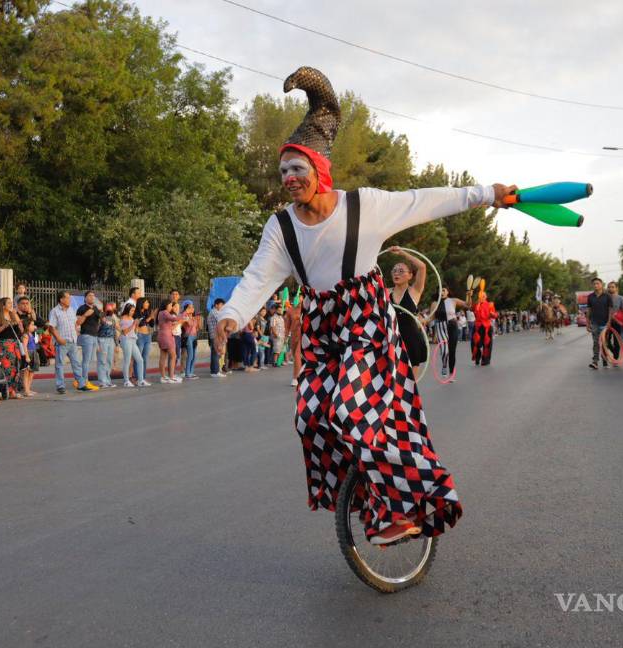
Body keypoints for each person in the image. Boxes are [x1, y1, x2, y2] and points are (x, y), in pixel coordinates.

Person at [214, 67, 511, 545]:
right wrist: (232, 314)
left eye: (297, 168)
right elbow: (258, 278)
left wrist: (487, 194)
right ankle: (357, 492)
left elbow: (425, 200)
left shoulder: (362, 207)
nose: (289, 178)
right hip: (321, 324)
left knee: (354, 411)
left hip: (366, 318)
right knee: (311, 415)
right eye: (283, 170)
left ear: (319, 170)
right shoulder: (281, 228)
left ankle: (404, 510)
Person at [386, 246, 429, 367]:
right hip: (392, 339)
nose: (396, 273)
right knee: (394, 383)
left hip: (411, 339)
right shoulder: (386, 292)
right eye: (394, 270)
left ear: (410, 275)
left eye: (401, 271)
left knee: (411, 383)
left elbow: (422, 266)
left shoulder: (415, 291)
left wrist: (403, 253)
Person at [47, 291, 92, 394]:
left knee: (77, 364)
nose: (69, 300)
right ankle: (60, 386)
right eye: (67, 298)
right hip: (62, 342)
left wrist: (76, 332)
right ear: (61, 300)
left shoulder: (71, 310)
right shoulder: (55, 311)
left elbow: (75, 323)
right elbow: (51, 327)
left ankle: (81, 384)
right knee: (59, 365)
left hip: (72, 341)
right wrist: (58, 339)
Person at [434, 287, 468, 381]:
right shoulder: (435, 303)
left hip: (453, 326)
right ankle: (444, 366)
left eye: (443, 290)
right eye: (440, 290)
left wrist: (469, 295)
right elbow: (431, 317)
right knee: (445, 351)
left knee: (452, 351)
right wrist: (422, 321)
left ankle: (452, 373)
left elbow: (467, 305)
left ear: (448, 292)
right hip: (441, 327)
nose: (441, 292)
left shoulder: (453, 300)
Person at [76, 291, 102, 389]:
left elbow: (99, 322)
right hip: (86, 335)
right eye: (90, 296)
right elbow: (78, 322)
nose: (92, 297)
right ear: (85, 298)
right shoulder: (81, 308)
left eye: (93, 296)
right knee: (86, 360)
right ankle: (84, 381)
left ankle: (82, 379)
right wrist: (86, 314)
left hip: (94, 336)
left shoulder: (95, 308)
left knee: (91, 360)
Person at [117, 303, 148, 387]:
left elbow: (134, 331)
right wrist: (133, 324)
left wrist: (136, 325)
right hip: (126, 340)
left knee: (140, 360)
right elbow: (125, 332)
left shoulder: (131, 318)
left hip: (133, 340)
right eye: (132, 310)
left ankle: (140, 380)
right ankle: (126, 381)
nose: (133, 312)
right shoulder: (123, 318)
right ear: (127, 310)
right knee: (127, 360)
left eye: (134, 310)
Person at [586, 278, 612, 369]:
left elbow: (610, 310)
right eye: (594, 284)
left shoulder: (607, 296)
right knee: (596, 342)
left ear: (601, 285)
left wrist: (609, 322)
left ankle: (605, 360)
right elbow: (589, 310)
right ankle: (595, 361)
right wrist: (588, 323)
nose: (595, 285)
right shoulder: (590, 297)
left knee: (604, 342)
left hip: (605, 323)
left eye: (597, 283)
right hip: (595, 323)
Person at [470, 286, 497, 366]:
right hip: (477, 326)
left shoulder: (490, 304)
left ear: (486, 297)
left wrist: (492, 314)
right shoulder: (476, 305)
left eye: (483, 296)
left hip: (487, 327)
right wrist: (469, 296)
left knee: (487, 344)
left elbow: (495, 315)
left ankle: (486, 360)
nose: (482, 297)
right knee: (475, 344)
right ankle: (477, 357)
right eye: (481, 296)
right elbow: (470, 307)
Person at [156, 300, 181, 383]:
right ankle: (171, 376)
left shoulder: (161, 313)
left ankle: (163, 377)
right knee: (173, 356)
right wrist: (183, 316)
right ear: (166, 305)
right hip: (167, 336)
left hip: (162, 335)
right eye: (170, 305)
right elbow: (173, 318)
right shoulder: (165, 312)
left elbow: (169, 322)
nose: (171, 307)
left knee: (163, 356)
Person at [95, 302, 118, 388]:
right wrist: (97, 343)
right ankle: (102, 382)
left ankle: (108, 380)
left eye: (111, 309)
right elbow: (96, 330)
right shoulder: (100, 318)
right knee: (102, 361)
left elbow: (114, 331)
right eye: (108, 308)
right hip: (102, 340)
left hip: (111, 340)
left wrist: (116, 344)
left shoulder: (112, 319)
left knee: (109, 361)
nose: (110, 310)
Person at [134, 297, 154, 384]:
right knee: (138, 358)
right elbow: (141, 324)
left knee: (145, 358)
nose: (147, 304)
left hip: (147, 336)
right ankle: (138, 378)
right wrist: (150, 317)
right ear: (141, 303)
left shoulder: (147, 312)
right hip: (140, 336)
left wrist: (152, 317)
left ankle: (143, 378)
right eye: (146, 302)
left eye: (148, 303)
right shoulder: (136, 313)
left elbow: (152, 324)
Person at [179, 301, 200, 380]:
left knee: (194, 356)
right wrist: (186, 312)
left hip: (194, 337)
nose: (192, 309)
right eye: (190, 307)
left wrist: (197, 320)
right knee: (190, 355)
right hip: (188, 337)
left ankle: (191, 372)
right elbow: (187, 322)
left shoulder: (194, 318)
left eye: (193, 307)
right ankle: (187, 373)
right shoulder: (185, 316)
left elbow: (197, 328)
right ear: (186, 309)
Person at [206, 298, 227, 377]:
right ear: (216, 305)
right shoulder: (214, 312)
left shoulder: (216, 312)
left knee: (215, 353)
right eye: (221, 305)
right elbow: (221, 321)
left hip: (216, 335)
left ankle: (213, 371)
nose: (222, 307)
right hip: (215, 336)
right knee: (216, 353)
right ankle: (215, 372)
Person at [268, 304, 286, 368]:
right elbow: (272, 327)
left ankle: (278, 362)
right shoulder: (273, 318)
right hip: (277, 336)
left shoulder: (281, 318)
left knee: (280, 349)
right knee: (276, 349)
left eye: (281, 310)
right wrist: (275, 334)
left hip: (282, 335)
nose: (280, 311)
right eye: (279, 310)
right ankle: (274, 362)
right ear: (276, 310)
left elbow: (283, 326)